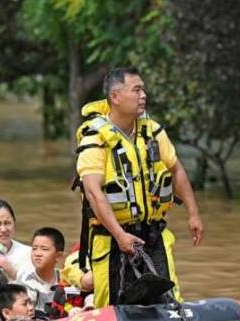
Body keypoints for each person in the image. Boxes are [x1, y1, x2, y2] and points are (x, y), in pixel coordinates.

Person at [75, 67, 203, 308]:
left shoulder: (152, 132)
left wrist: (193, 213)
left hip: (153, 236)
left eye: (143, 89)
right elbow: (93, 192)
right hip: (112, 239)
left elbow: (177, 170)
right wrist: (120, 235)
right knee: (113, 309)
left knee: (169, 303)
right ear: (115, 97)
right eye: (136, 90)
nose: (143, 95)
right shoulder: (95, 139)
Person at [16, 227, 65, 311]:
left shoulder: (67, 279)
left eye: (44, 249)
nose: (37, 254)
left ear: (58, 256)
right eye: (34, 248)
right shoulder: (24, 281)